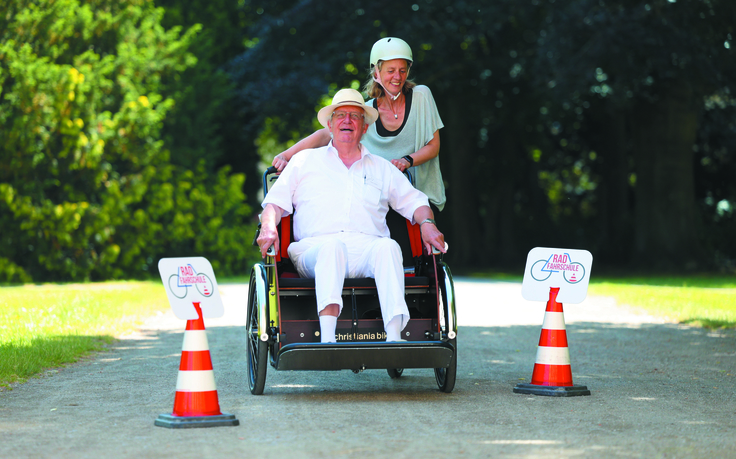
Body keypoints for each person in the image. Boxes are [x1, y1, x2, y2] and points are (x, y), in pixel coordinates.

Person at [257, 88, 446, 343]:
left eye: (355, 116)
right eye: (341, 115)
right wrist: (268, 227)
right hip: (314, 249)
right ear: (330, 124)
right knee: (332, 247)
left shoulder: (381, 167)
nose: (348, 121)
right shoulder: (304, 161)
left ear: (365, 128)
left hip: (366, 249)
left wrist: (427, 223)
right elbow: (274, 204)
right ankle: (327, 339)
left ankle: (394, 338)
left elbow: (416, 202)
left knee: (388, 247)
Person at [272, 37, 446, 211]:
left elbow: (433, 146)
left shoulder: (421, 96)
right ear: (376, 73)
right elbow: (326, 134)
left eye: (402, 70)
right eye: (390, 70)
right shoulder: (367, 113)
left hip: (420, 197)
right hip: (383, 201)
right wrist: (285, 156)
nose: (397, 77)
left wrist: (406, 161)